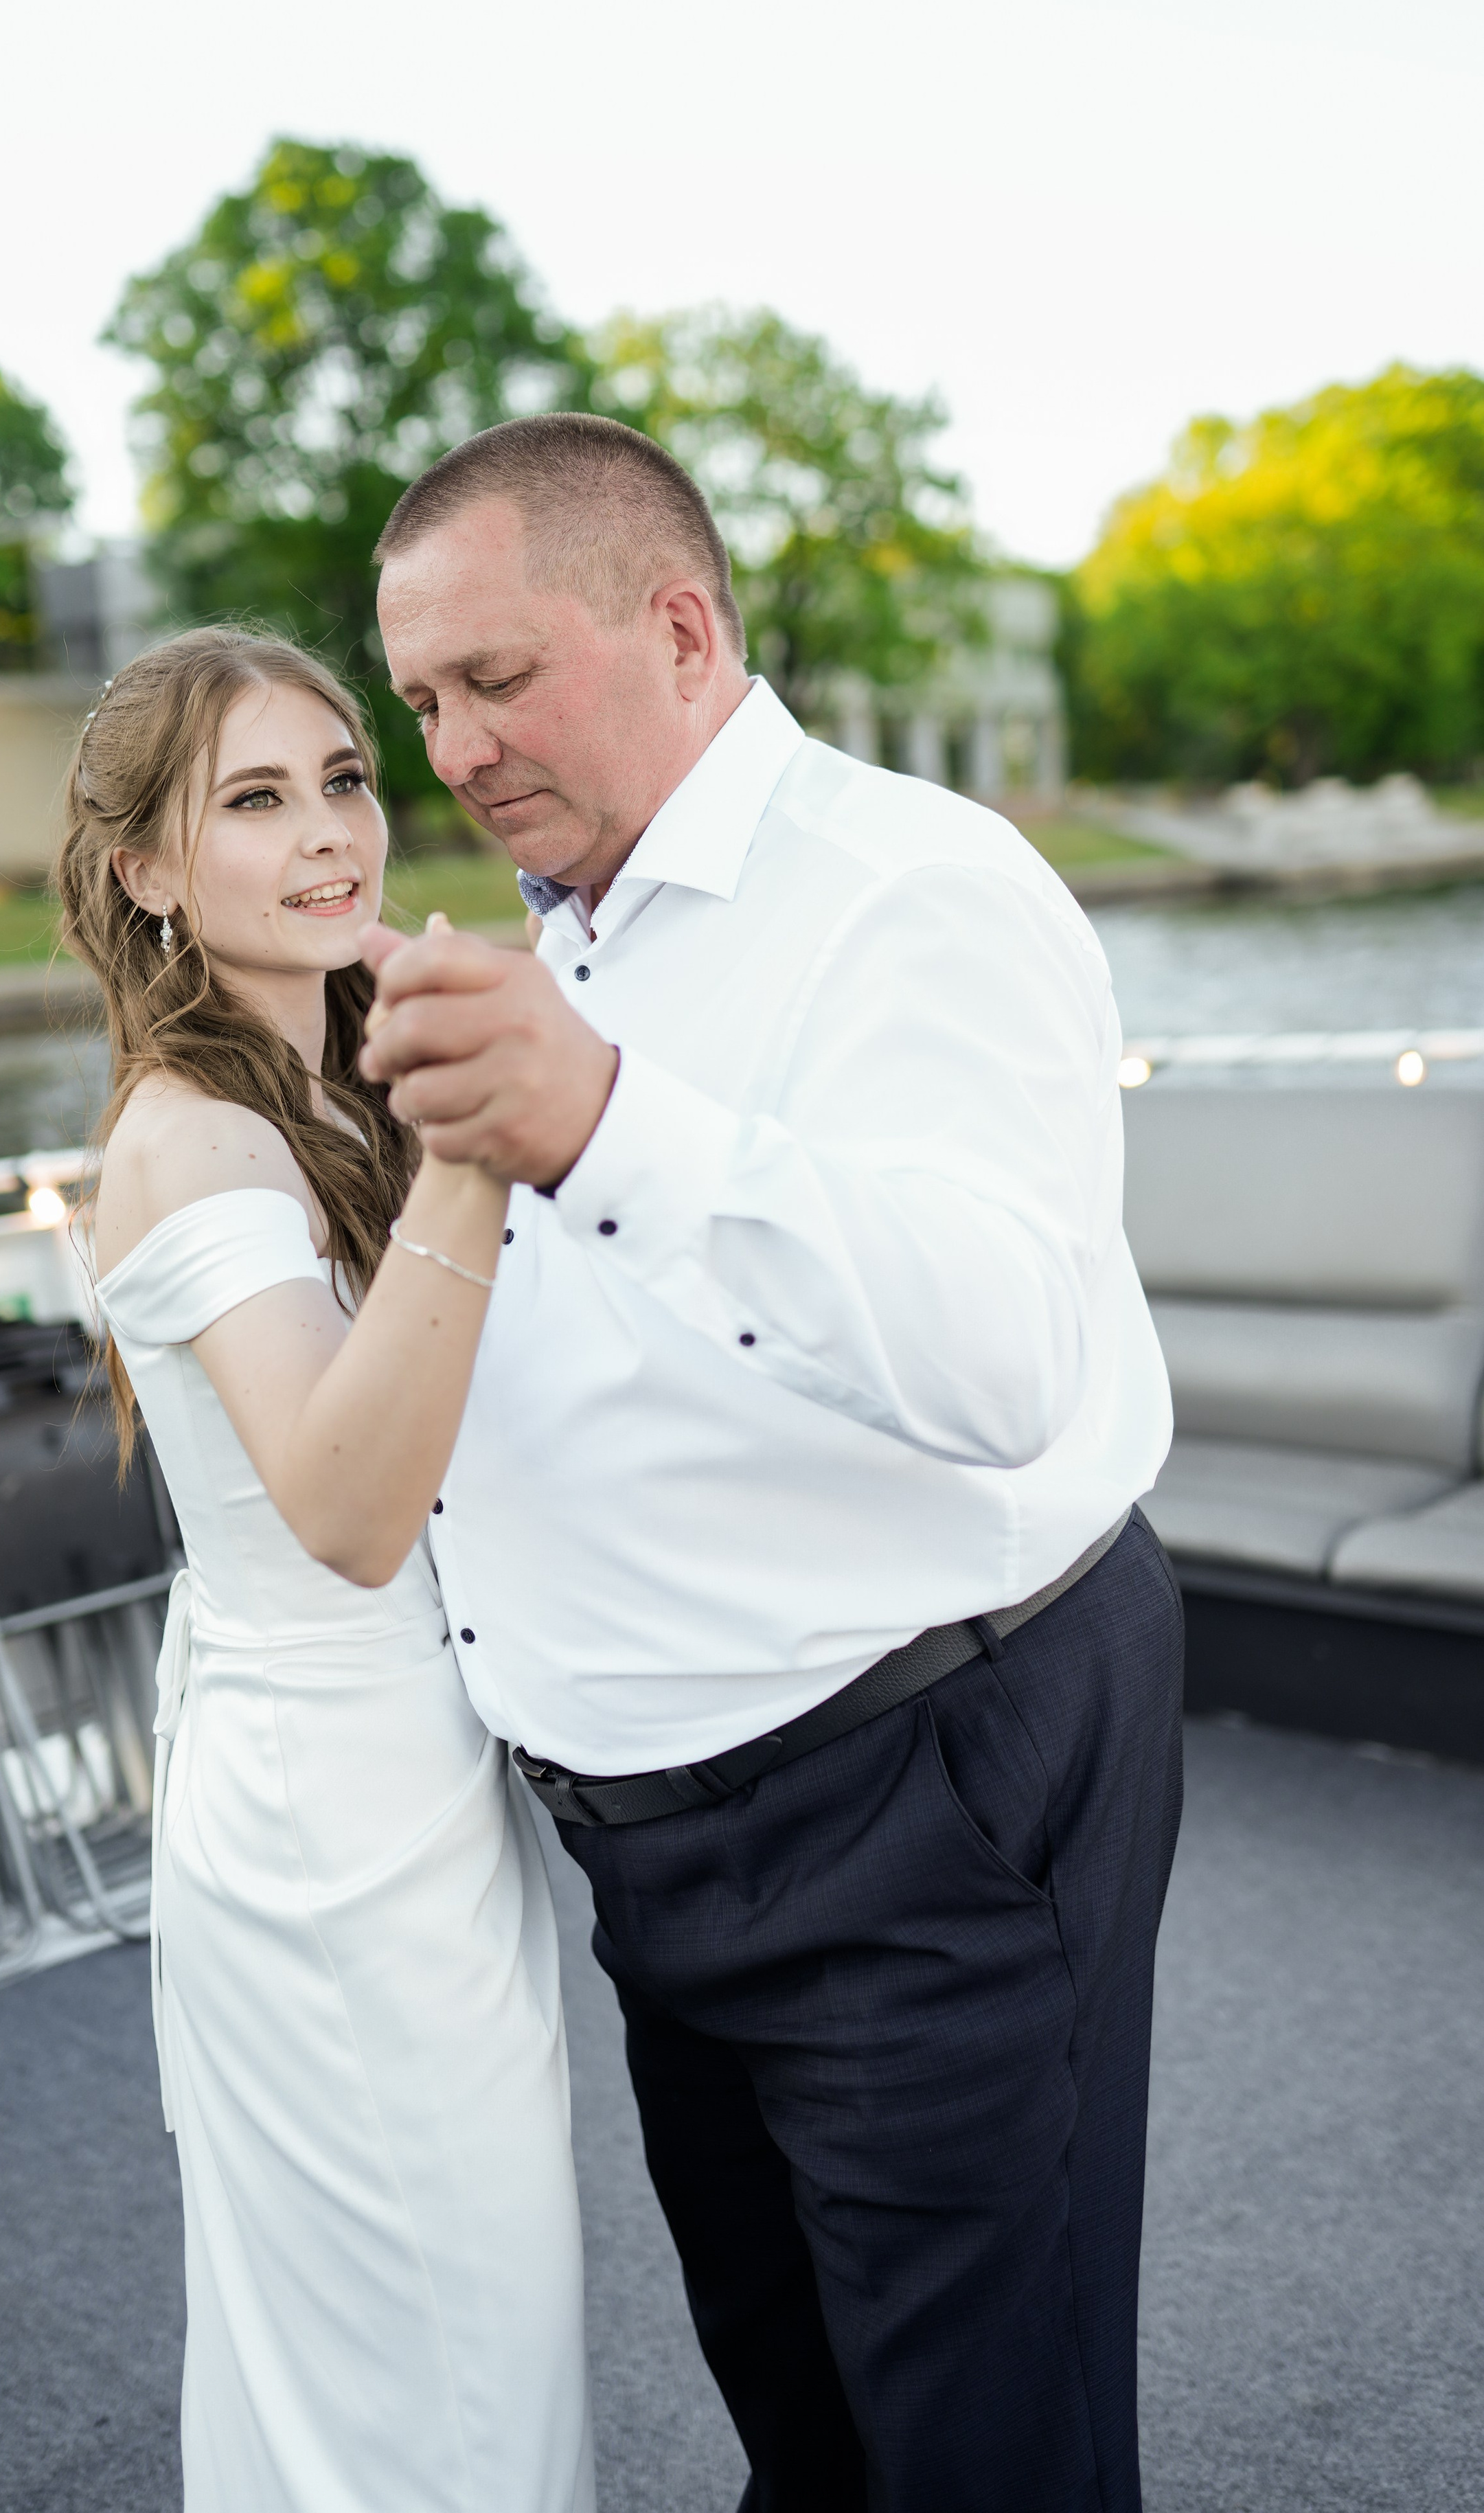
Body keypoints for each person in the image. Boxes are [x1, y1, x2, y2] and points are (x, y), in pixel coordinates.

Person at [359, 413, 1183, 2513]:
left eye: (498, 677)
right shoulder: (576, 939)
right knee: (808, 2433)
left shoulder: (917, 886)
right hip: (662, 1853)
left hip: (917, 1806)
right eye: (423, 698)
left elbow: (1006, 1359)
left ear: (684, 626)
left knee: (986, 2453)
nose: (452, 747)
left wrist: (610, 1121)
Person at [56, 628, 593, 2513]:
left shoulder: (329, 1092)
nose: (328, 836)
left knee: (475, 2341)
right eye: (256, 800)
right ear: (143, 870)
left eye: (346, 781)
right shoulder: (194, 1140)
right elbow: (350, 1516)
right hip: (327, 1833)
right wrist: (476, 1135)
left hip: (424, 1787)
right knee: (426, 2370)